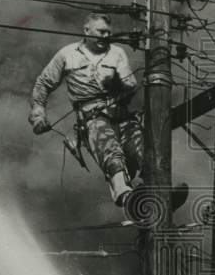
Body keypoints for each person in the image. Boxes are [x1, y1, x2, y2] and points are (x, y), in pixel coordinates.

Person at [29, 12, 144, 207]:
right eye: (101, 32)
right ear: (86, 30)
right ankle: (125, 194)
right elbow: (43, 83)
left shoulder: (117, 53)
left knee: (143, 148)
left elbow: (131, 84)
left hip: (121, 113)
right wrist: (38, 113)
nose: (105, 37)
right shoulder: (67, 54)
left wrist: (119, 84)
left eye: (108, 33)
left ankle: (159, 189)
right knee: (110, 151)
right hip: (92, 117)